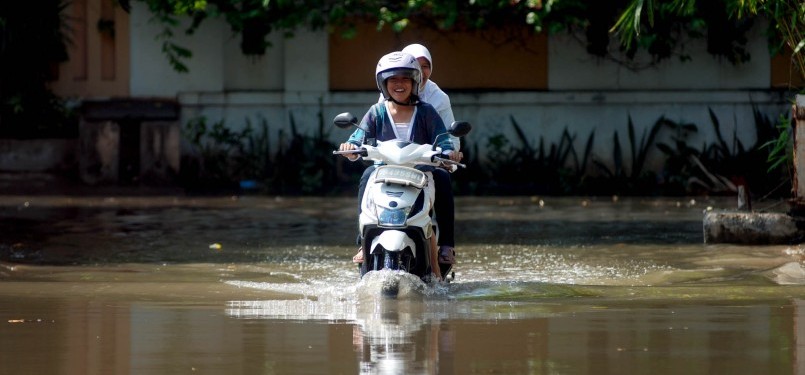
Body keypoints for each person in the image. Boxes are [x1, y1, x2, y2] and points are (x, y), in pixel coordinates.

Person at [338, 51, 462, 277]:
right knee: (367, 175)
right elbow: (357, 139)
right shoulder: (376, 112)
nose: (399, 84)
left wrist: (449, 153)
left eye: (405, 79)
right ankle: (362, 242)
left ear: (414, 82)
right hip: (384, 174)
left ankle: (442, 259)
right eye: (393, 79)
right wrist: (350, 148)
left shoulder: (427, 111)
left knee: (439, 185)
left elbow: (443, 139)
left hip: (420, 174)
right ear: (383, 84)